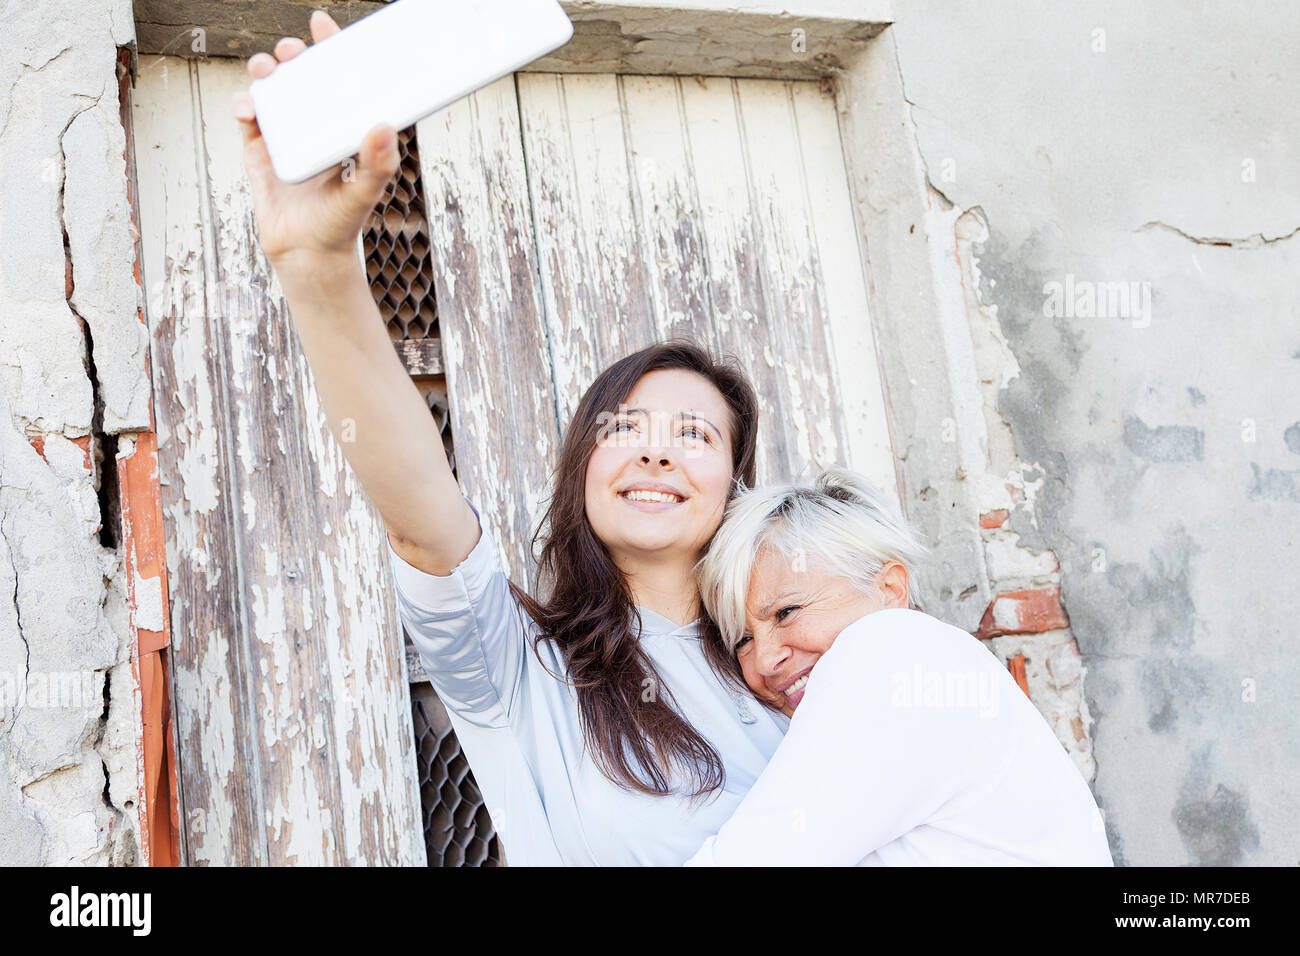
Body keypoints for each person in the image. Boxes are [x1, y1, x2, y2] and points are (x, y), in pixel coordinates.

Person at [230, 10, 787, 865]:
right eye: (624, 426)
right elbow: (423, 520)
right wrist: (318, 269)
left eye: (696, 435)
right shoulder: (520, 669)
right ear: (583, 472)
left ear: (736, 489)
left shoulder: (796, 665)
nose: (656, 451)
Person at [686, 468, 1114, 865]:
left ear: (889, 588)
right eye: (742, 639)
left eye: (786, 612)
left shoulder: (890, 653)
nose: (765, 658)